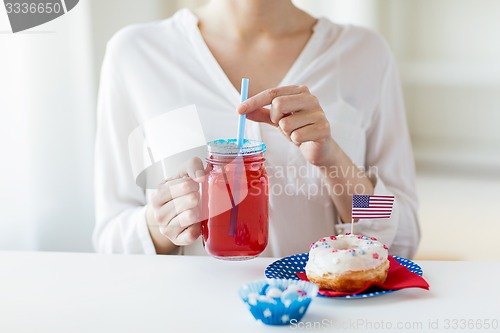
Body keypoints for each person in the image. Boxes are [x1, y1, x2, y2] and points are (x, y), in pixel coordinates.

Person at [93, 0, 420, 258]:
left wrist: (335, 164)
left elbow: (403, 232)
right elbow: (110, 238)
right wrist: (161, 222)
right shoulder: (136, 54)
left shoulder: (364, 54)